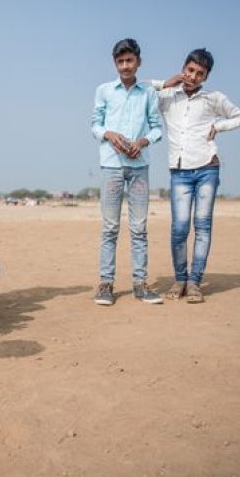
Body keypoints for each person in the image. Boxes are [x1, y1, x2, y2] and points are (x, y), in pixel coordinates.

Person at [150, 48, 240, 303]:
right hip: (179, 171)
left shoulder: (212, 98)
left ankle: (194, 282)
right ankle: (180, 278)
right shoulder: (167, 97)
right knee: (179, 228)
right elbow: (140, 90)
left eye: (199, 73)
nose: (193, 76)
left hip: (207, 168)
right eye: (190, 70)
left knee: (202, 226)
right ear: (184, 67)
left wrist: (218, 125)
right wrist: (165, 83)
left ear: (206, 77)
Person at [90, 38, 163, 306]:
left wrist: (142, 141)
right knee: (110, 228)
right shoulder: (104, 91)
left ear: (138, 62)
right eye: (120, 62)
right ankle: (105, 284)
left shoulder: (148, 93)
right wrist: (108, 134)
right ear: (115, 63)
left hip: (139, 167)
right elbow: (95, 124)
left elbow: (157, 128)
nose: (125, 66)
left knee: (139, 228)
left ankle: (140, 284)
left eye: (129, 60)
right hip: (111, 166)